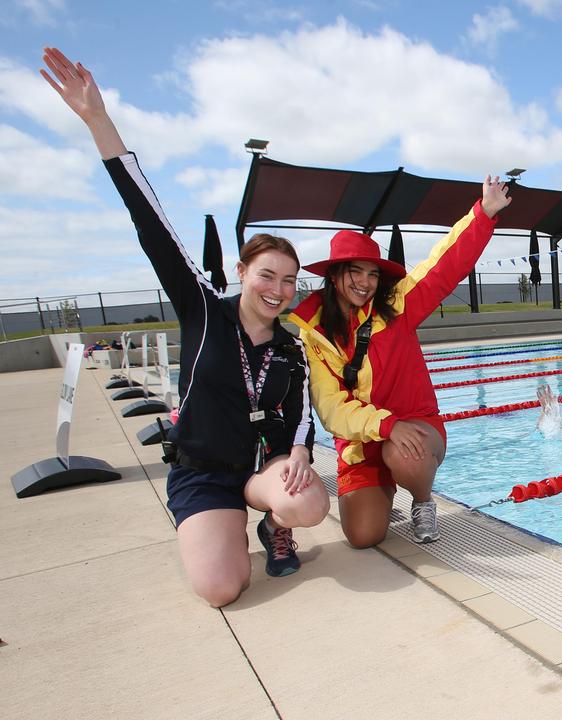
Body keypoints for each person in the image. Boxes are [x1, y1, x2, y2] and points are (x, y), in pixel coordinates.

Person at [41, 47, 330, 606]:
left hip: (262, 469)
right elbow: (151, 221)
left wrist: (298, 454)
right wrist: (100, 121)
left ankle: (274, 525)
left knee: (308, 503)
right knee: (223, 588)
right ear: (242, 273)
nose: (278, 290)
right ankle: (223, 531)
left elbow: (300, 416)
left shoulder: (291, 350)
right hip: (204, 471)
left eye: (290, 281)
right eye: (268, 276)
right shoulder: (202, 308)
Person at [289, 178, 510, 548]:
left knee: (405, 456)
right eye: (355, 272)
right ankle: (381, 492)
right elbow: (330, 409)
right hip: (362, 443)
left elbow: (442, 267)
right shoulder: (314, 336)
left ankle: (422, 501)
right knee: (363, 537)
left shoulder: (398, 308)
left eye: (372, 273)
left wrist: (483, 213)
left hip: (415, 429)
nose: (365, 282)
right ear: (334, 275)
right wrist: (385, 424)